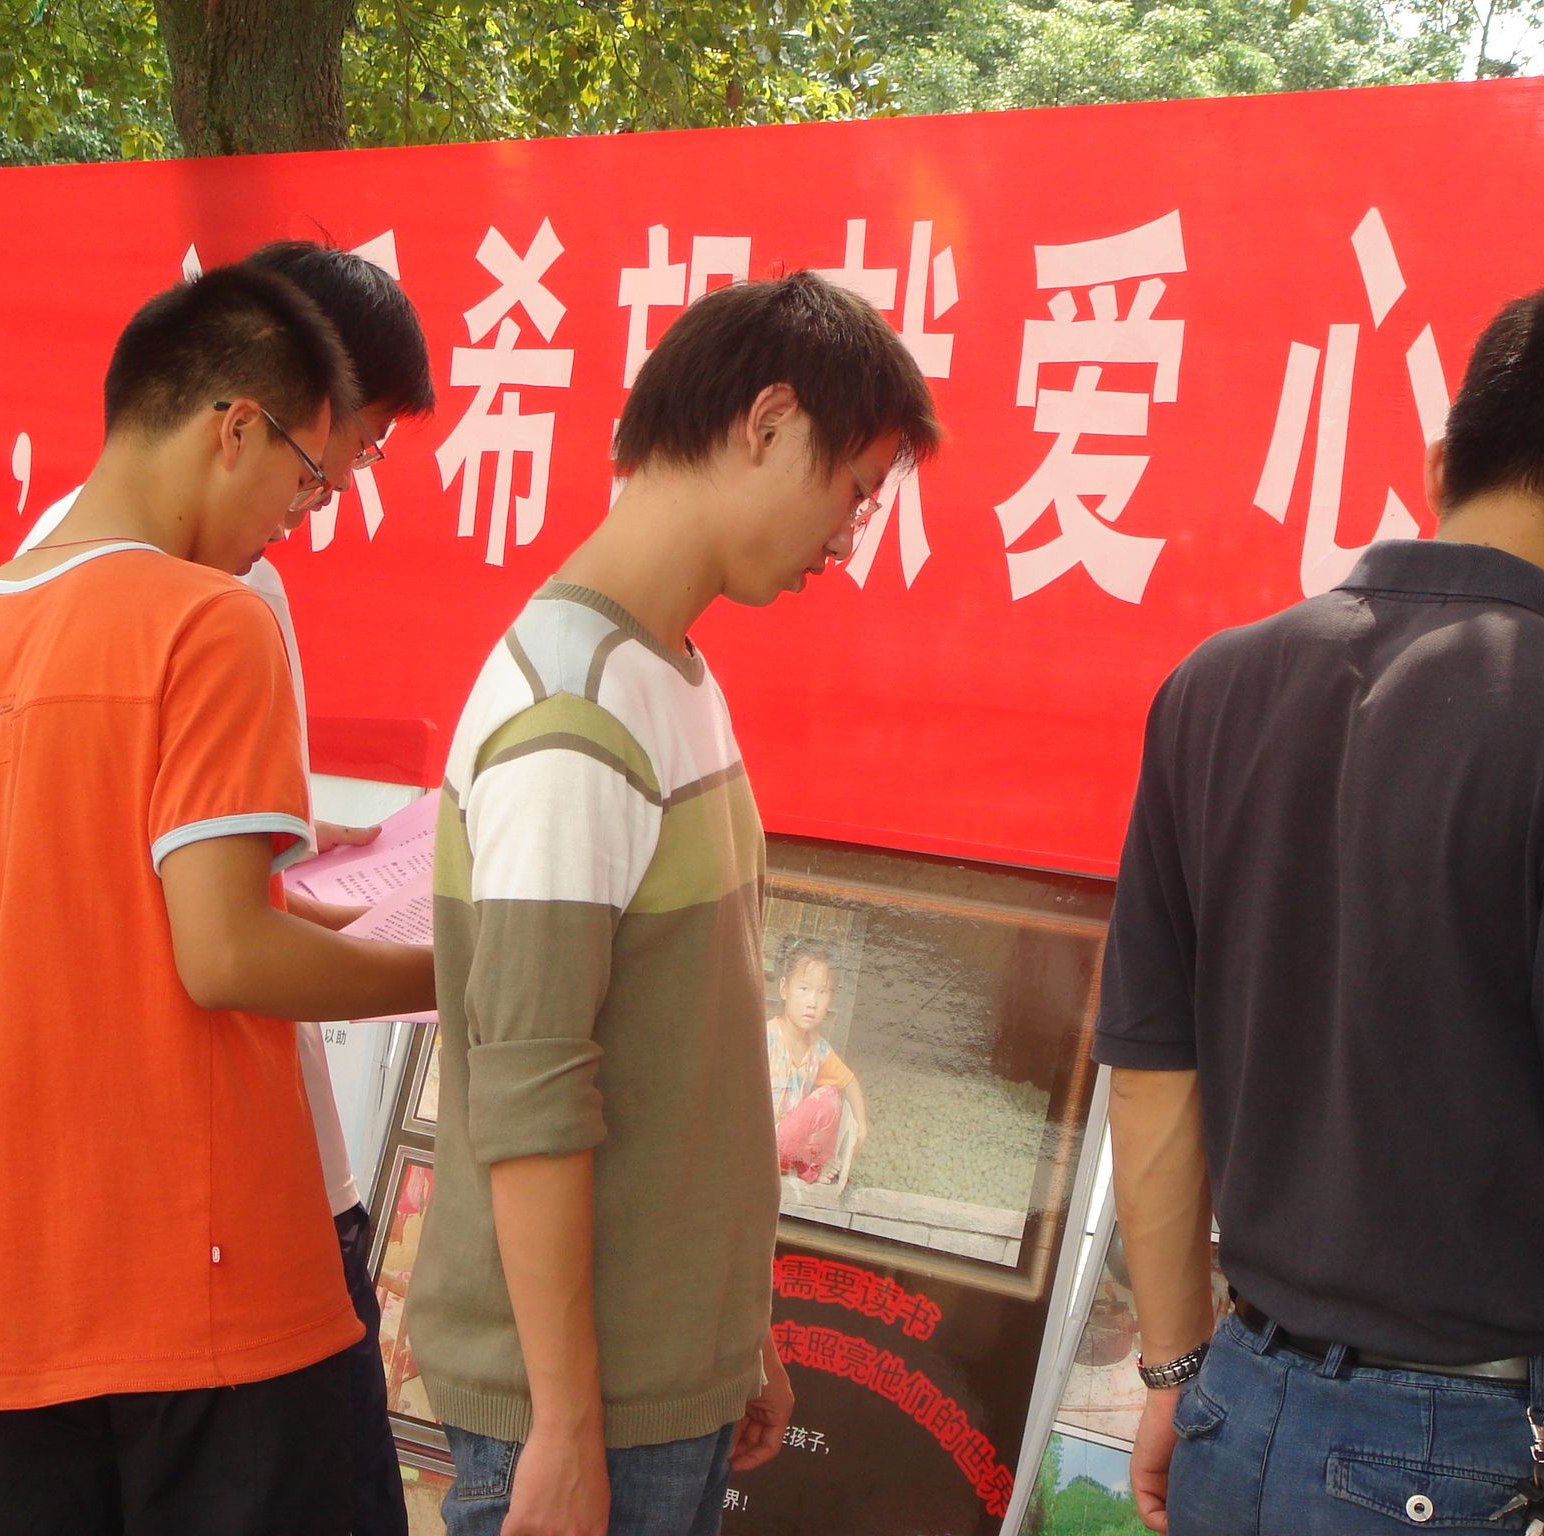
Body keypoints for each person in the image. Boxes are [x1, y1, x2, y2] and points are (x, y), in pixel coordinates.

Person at [1094, 266, 1544, 1535]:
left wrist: (1174, 1373)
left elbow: (1152, 1080)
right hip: (1490, 1463)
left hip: (1242, 1408)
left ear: (1444, 460)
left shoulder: (1210, 687)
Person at [0, 263, 437, 1536]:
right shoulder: (211, 619)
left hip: (14, 1280)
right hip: (211, 1278)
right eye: (307, 476)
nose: (299, 515)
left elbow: (54, 923)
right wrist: (461, 965)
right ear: (235, 427)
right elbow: (225, 955)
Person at [410, 271, 940, 1536]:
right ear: (767, 422)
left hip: (664, 1372)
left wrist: (740, 1329)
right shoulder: (574, 715)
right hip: (590, 1403)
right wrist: (564, 1427)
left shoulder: (668, 674)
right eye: (854, 490)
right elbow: (532, 1094)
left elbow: (689, 1049)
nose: (847, 539)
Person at [765, 939, 872, 1183]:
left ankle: (809, 1165)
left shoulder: (819, 1050)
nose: (812, 1002)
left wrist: (862, 1127)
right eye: (804, 989)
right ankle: (807, 1164)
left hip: (788, 1145)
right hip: (759, 1143)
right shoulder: (766, 1037)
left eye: (822, 992)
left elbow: (850, 1083)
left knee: (830, 1096)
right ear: (784, 989)